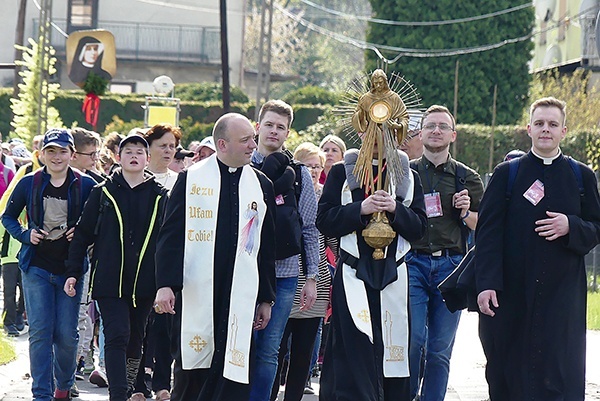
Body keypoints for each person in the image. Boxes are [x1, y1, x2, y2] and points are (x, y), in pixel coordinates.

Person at [475, 97, 600, 400]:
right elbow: (487, 234)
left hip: (563, 296)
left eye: (553, 124)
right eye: (540, 124)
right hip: (514, 292)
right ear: (528, 129)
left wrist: (571, 225)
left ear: (564, 131)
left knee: (561, 370)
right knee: (510, 371)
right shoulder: (508, 174)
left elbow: (596, 227)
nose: (546, 130)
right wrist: (487, 283)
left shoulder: (580, 176)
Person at [152, 112, 276, 401]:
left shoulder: (261, 185)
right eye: (245, 140)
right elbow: (171, 236)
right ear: (222, 144)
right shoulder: (191, 179)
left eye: (253, 140)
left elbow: (265, 248)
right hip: (198, 290)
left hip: (241, 295)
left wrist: (266, 298)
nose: (252, 146)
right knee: (193, 374)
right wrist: (165, 284)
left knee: (234, 373)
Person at [317, 120, 427, 399]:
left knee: (394, 350)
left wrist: (395, 210)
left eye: (386, 129)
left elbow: (420, 229)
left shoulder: (408, 175)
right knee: (352, 349)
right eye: (372, 128)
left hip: (393, 275)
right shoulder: (343, 171)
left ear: (395, 133)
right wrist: (360, 209)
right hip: (353, 273)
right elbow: (325, 221)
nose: (378, 136)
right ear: (361, 131)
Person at [65, 134, 168, 401]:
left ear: (147, 158)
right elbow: (82, 235)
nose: (134, 155)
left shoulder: (160, 196)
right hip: (109, 281)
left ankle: (130, 384)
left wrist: (170, 281)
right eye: (128, 151)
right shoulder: (103, 193)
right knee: (117, 333)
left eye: (139, 151)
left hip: (145, 282)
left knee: (136, 338)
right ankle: (119, 394)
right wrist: (73, 273)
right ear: (117, 157)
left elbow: (171, 242)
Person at [1, 128, 96, 401]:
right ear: (41, 154)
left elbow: (98, 222)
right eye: (51, 151)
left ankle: (63, 384)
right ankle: (41, 393)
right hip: (36, 267)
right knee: (41, 332)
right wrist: (24, 234)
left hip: (71, 269)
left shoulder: (85, 184)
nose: (56, 157)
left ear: (72, 154)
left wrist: (82, 232)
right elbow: (7, 217)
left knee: (66, 335)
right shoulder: (29, 183)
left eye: (62, 151)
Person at [407, 105, 484, 401]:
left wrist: (465, 212)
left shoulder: (468, 178)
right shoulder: (406, 172)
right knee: (414, 342)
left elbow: (483, 225)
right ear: (421, 133)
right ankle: (407, 395)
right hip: (412, 263)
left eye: (442, 126)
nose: (436, 131)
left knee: (439, 349)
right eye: (430, 126)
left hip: (451, 266)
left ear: (453, 135)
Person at [249, 100, 320, 401]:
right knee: (238, 344)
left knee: (269, 349)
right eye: (269, 124)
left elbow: (310, 228)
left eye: (280, 127)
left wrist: (312, 277)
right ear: (258, 127)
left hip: (286, 274)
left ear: (288, 133)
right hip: (244, 269)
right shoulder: (241, 166)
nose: (274, 131)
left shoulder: (299, 174)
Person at [269, 143, 332, 401]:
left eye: (318, 166)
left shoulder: (327, 195)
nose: (314, 171)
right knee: (276, 347)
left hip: (315, 276)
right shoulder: (291, 190)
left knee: (305, 350)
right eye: (308, 166)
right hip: (286, 274)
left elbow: (331, 240)